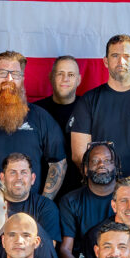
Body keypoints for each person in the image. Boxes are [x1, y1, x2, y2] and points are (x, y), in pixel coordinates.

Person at [0, 50, 66, 196]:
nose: (9, 79)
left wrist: (44, 202)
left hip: (27, 208)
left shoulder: (41, 117)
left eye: (15, 74)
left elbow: (58, 162)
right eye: (2, 73)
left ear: (22, 79)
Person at [70, 34, 130, 183]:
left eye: (127, 56)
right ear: (105, 61)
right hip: (99, 189)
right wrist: (103, 185)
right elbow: (78, 154)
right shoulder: (88, 100)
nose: (121, 61)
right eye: (115, 55)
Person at [56, 141, 119, 258]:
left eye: (107, 161)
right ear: (85, 169)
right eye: (95, 161)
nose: (101, 165)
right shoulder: (70, 201)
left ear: (116, 167)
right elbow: (65, 250)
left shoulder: (128, 199)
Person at [35, 55, 83, 193]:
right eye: (60, 74)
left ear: (79, 80)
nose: (65, 79)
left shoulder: (88, 109)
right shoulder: (36, 111)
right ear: (51, 77)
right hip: (42, 189)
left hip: (79, 190)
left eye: (71, 75)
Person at [0, 152, 60, 240]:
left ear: (32, 179)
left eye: (24, 172)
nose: (18, 177)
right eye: (12, 172)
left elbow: (49, 245)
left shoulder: (46, 207)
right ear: (3, 178)